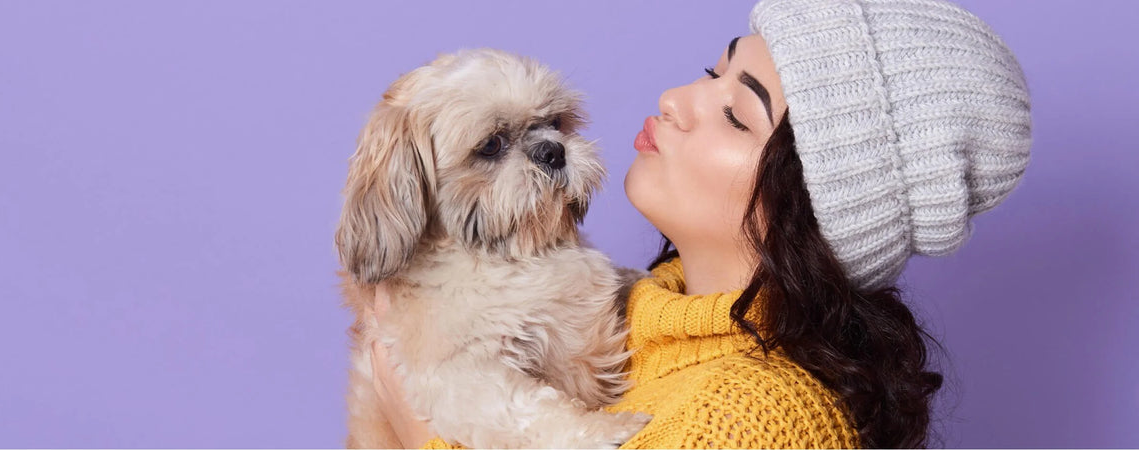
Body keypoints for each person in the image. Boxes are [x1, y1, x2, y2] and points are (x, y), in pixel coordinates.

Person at [360, 0, 1031, 447]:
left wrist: (417, 422)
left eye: (738, 114)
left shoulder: (758, 417)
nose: (676, 100)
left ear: (808, 209)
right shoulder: (630, 317)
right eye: (712, 72)